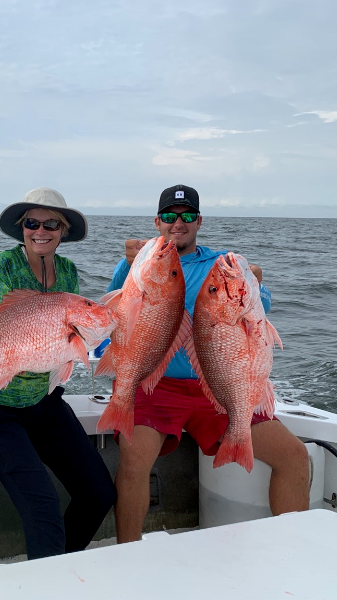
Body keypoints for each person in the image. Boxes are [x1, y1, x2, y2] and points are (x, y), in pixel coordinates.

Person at [108, 184, 310, 543]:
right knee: (133, 464)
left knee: (294, 456)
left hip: (220, 383)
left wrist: (256, 285)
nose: (178, 223)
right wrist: (127, 264)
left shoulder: (221, 265)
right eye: (170, 216)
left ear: (199, 221)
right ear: (157, 222)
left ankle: (293, 549)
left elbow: (259, 310)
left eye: (187, 216)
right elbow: (118, 314)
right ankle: (127, 553)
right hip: (156, 385)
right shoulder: (139, 264)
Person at [0, 188, 117, 560]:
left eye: (51, 223)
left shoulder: (68, 271)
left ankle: (56, 571)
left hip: (44, 402)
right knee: (43, 509)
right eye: (32, 223)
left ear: (63, 230)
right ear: (22, 228)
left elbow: (70, 340)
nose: (41, 230)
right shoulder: (3, 266)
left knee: (99, 493)